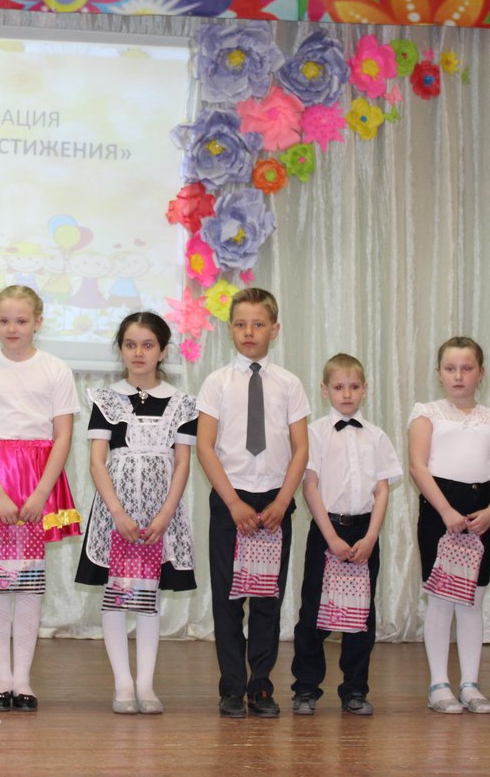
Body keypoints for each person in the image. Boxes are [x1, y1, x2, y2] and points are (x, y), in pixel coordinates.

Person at [0, 285, 80, 713]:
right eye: (4, 320)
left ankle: (23, 680)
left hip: (38, 480)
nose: (13, 328)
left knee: (29, 582)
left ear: (38, 322)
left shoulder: (56, 370)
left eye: (22, 321)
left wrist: (43, 491)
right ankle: (0, 681)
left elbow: (62, 435)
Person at [74, 312, 198, 715]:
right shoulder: (106, 399)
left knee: (148, 597)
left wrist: (165, 515)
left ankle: (146, 684)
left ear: (162, 351)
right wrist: (118, 513)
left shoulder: (181, 403)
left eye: (147, 345)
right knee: (116, 597)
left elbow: (182, 463)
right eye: (130, 345)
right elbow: (97, 462)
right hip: (117, 516)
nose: (138, 353)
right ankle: (123, 685)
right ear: (120, 350)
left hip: (161, 517)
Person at [196, 287, 309, 718]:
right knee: (228, 599)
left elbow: (300, 448)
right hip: (232, 500)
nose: (249, 332)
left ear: (274, 330)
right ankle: (231, 687)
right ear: (230, 330)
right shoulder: (217, 382)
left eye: (258, 324)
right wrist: (232, 503)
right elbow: (205, 447)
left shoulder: (289, 384)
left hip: (275, 503)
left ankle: (261, 686)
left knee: (266, 599)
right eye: (241, 324)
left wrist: (283, 500)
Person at [291, 354, 401, 717]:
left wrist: (371, 538)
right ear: (325, 390)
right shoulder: (315, 433)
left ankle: (355, 689)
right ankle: (306, 688)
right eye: (339, 387)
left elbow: (382, 490)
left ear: (365, 389)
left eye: (354, 387)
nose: (347, 394)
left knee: (360, 615)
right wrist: (331, 538)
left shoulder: (377, 436)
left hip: (364, 531)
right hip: (328, 530)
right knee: (314, 611)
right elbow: (310, 487)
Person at [409, 337, 490, 714]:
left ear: (481, 373)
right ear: (439, 373)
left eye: (467, 368)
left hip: (481, 514)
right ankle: (439, 684)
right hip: (441, 510)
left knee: (472, 599)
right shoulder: (427, 413)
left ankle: (470, 684)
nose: (458, 376)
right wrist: (445, 511)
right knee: (440, 599)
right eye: (450, 368)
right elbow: (418, 466)